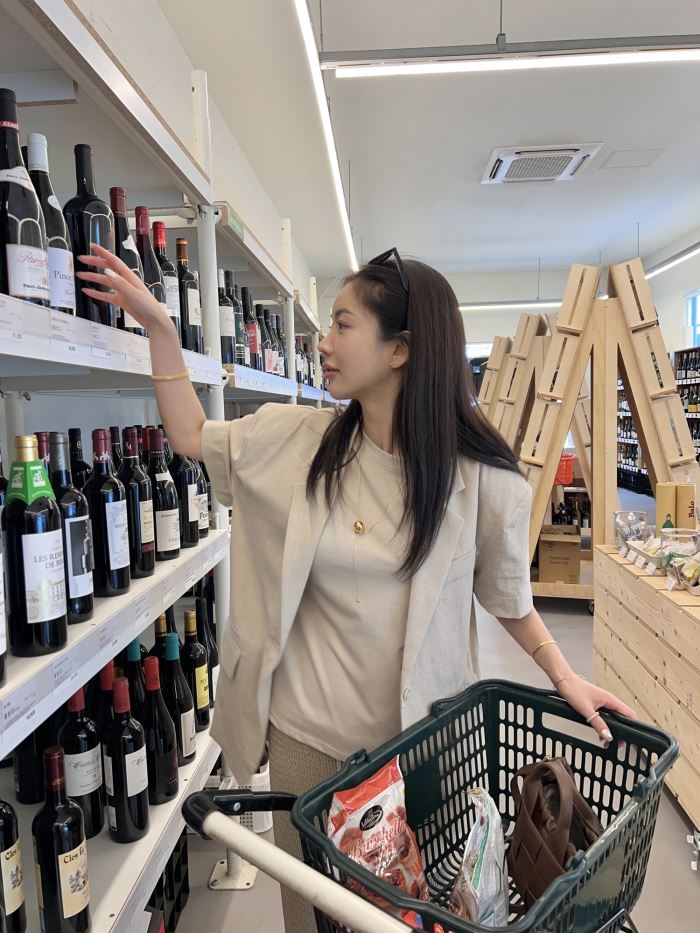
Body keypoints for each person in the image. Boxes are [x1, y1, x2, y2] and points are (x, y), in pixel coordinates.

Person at [77, 245, 635, 932]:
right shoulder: (296, 442)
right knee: (313, 917)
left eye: (343, 324)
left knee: (414, 915)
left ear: (400, 349)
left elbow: (508, 599)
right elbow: (192, 434)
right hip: (310, 748)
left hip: (426, 750)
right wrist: (162, 332)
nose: (324, 341)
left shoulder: (482, 478)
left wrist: (564, 676)